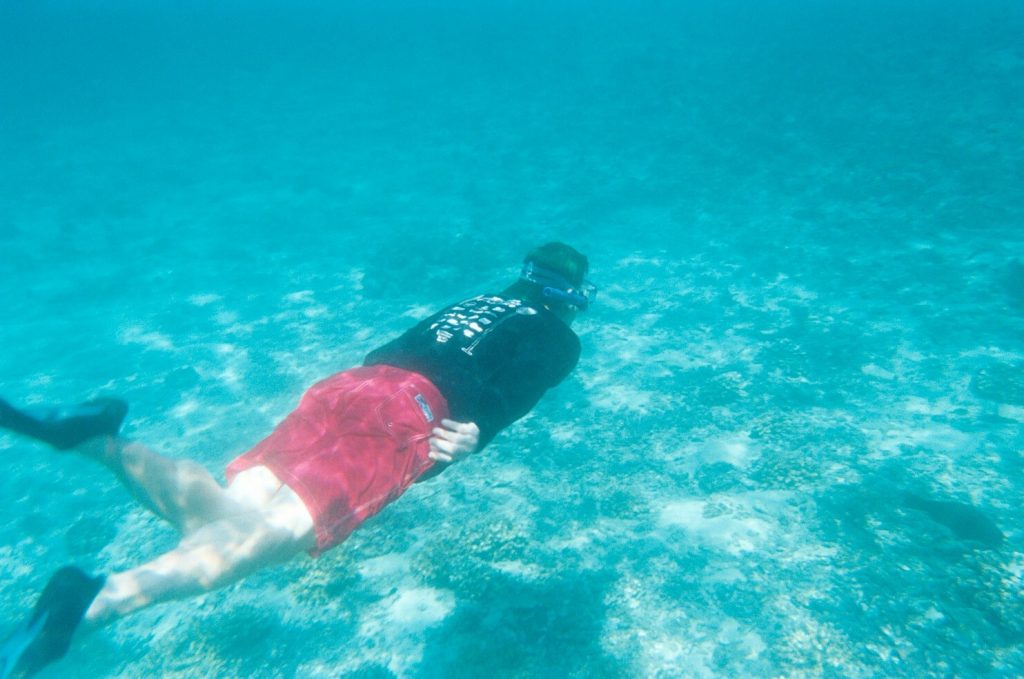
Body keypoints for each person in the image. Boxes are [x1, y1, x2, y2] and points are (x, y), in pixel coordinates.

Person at [0, 242, 594, 677]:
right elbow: (517, 392)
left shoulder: (478, 302)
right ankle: (93, 603)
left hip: (348, 386)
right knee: (269, 540)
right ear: (569, 298)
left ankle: (99, 440)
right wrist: (475, 433)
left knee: (228, 516)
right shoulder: (560, 336)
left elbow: (395, 348)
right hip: (408, 414)